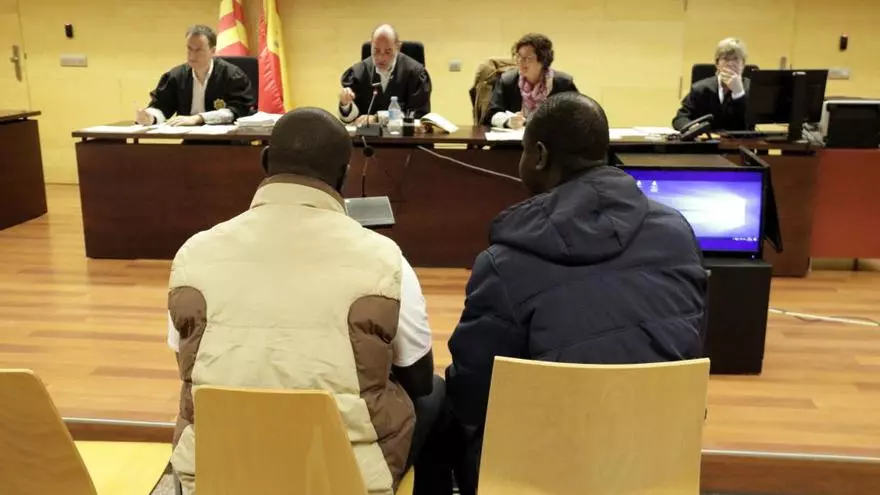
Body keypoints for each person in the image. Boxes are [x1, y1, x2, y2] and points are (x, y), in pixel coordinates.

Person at [166, 108, 443, 495]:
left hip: (216, 474)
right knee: (437, 393)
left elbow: (187, 361)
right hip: (342, 482)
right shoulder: (385, 259)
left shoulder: (193, 254)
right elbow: (418, 378)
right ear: (344, 176)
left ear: (265, 161)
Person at [446, 92, 707, 494]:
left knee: (442, 412)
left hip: (540, 475)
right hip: (656, 462)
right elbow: (689, 347)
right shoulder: (678, 234)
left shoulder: (504, 263)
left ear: (539, 156)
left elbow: (472, 394)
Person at [136, 25, 255, 126]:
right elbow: (162, 106)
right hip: (191, 140)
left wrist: (199, 118)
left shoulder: (232, 75)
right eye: (189, 48)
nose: (192, 55)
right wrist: (151, 117)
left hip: (228, 140)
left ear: (212, 51)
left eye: (198, 50)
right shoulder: (176, 76)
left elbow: (238, 110)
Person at [338, 24, 432, 124]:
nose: (381, 58)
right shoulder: (358, 73)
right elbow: (352, 120)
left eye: (387, 52)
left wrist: (378, 119)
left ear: (398, 47)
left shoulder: (416, 74)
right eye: (376, 51)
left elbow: (418, 117)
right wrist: (345, 104)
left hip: (403, 134)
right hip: (368, 134)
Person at [486, 33, 578, 129]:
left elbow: (577, 115)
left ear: (543, 60)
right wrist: (507, 121)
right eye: (519, 56)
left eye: (528, 58)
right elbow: (491, 114)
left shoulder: (563, 84)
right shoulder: (508, 81)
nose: (521, 61)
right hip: (515, 137)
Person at [673, 37, 751, 132]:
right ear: (717, 64)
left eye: (736, 59)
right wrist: (692, 127)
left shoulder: (752, 89)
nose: (730, 64)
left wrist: (739, 93)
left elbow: (748, 125)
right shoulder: (700, 89)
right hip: (707, 140)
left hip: (741, 141)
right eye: (726, 59)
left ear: (743, 64)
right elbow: (680, 118)